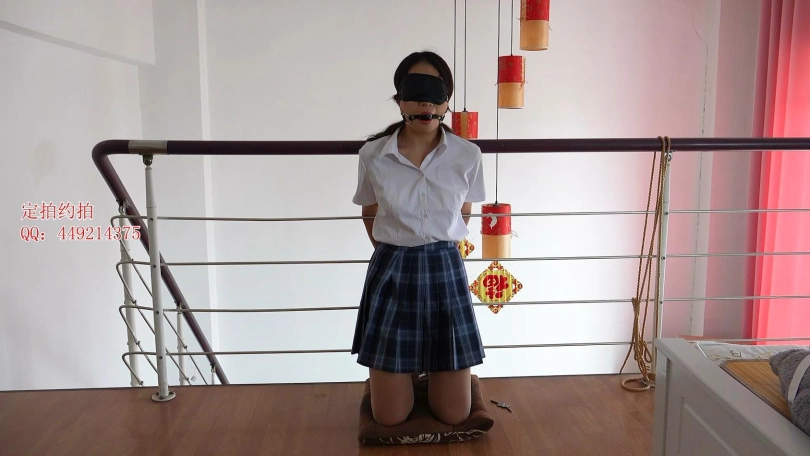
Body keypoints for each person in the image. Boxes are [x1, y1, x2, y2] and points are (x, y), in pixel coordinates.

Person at [350, 50, 487, 427]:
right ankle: (400, 377)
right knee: (389, 416)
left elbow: (464, 214)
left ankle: (423, 377)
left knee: (454, 413)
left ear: (447, 101)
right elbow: (369, 212)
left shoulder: (467, 155)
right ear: (399, 100)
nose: (426, 102)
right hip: (392, 269)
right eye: (415, 91)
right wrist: (398, 251)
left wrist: (435, 246)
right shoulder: (373, 154)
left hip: (445, 268)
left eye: (435, 92)